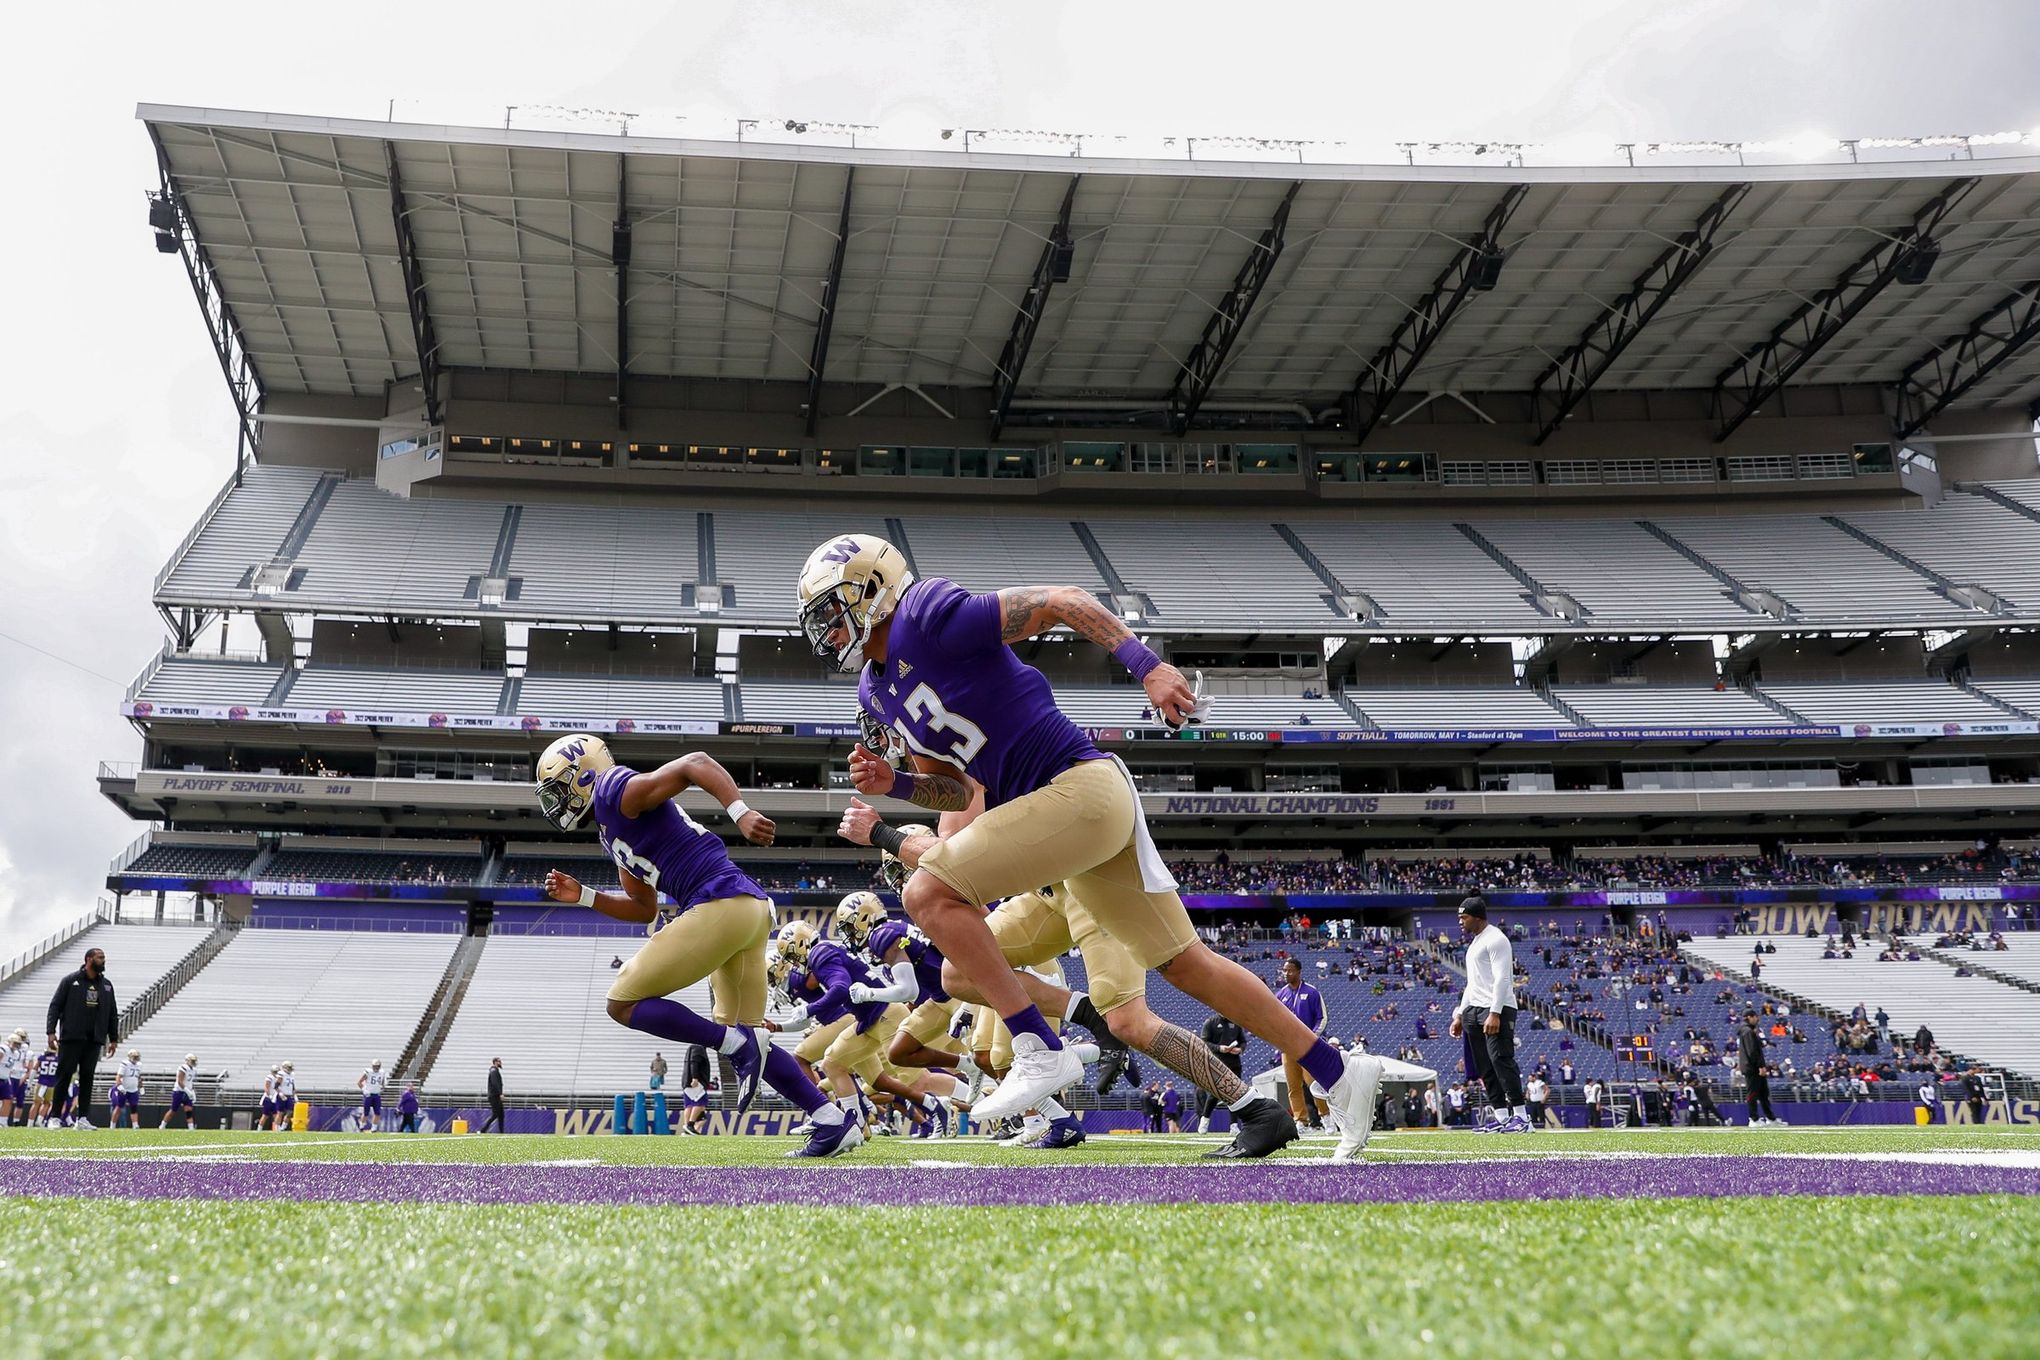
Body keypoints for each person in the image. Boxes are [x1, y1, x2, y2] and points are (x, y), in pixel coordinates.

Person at [804, 533, 1380, 1160]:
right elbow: (955, 789)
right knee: (1187, 965)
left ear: (873, 588)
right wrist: (897, 784)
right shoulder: (873, 689)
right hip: (1066, 818)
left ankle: (1036, 1044)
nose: (829, 629)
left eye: (834, 609)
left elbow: (1060, 600)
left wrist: (1148, 666)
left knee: (929, 891)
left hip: (1078, 789)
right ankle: (1341, 1074)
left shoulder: (926, 613)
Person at [535, 735, 854, 1158]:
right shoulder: (610, 829)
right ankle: (831, 1120)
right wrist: (585, 897)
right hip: (746, 911)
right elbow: (642, 906)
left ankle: (737, 1047)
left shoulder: (613, 789)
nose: (556, 803)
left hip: (718, 902)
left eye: (559, 789)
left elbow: (694, 762)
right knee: (751, 1036)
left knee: (623, 1002)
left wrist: (739, 812)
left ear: (582, 774)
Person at [1449, 897, 1529, 1133]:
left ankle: (1522, 1117)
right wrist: (1460, 1014)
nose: (1460, 922)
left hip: (1496, 1007)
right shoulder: (1475, 943)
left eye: (1464, 917)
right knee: (1484, 1065)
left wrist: (1495, 1012)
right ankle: (1502, 1116)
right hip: (1475, 1008)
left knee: (1501, 1059)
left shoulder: (1496, 939)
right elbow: (1472, 983)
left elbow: (1504, 979)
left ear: (1478, 917)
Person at [44, 946, 117, 1129]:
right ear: (89, 959)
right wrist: (51, 1032)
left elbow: (112, 1014)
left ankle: (82, 1118)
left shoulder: (106, 985)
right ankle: (54, 1117)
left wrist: (113, 1038)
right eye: (100, 957)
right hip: (71, 1037)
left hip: (94, 1039)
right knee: (64, 1075)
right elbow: (55, 1006)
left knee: (87, 1077)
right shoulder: (70, 981)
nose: (103, 960)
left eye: (104, 957)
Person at [1196, 1011, 1246, 1133]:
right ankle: (1205, 1120)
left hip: (1234, 1064)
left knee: (1234, 1094)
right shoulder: (1211, 1022)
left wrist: (1240, 1049)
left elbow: (1243, 1041)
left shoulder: (1235, 1022)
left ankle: (1234, 1125)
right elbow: (1204, 1042)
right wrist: (1219, 1048)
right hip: (1217, 1063)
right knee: (1215, 1093)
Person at [1738, 1012, 1782, 1127]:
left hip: (1754, 1066)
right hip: (1752, 1068)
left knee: (1763, 1093)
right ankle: (1754, 1119)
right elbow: (1752, 1051)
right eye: (1755, 1017)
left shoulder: (1749, 1030)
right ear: (1749, 1017)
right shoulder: (1747, 1031)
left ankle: (1771, 1118)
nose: (1757, 1019)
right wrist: (1760, 1066)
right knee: (1753, 1093)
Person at [159, 1054, 198, 1130]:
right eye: (192, 1061)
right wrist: (188, 1091)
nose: (193, 1062)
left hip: (187, 1092)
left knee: (189, 1110)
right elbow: (180, 1082)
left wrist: (192, 1092)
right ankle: (162, 1126)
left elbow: (190, 1082)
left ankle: (191, 1128)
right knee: (173, 1110)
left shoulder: (193, 1070)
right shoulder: (183, 1068)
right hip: (179, 1092)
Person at [109, 1049, 144, 1129]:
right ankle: (112, 1125)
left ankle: (135, 1126)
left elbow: (139, 1077)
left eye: (137, 1057)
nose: (136, 1058)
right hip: (124, 1089)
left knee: (134, 1108)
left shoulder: (139, 1065)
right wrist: (119, 1085)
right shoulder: (125, 1064)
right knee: (118, 1107)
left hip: (134, 1089)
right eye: (134, 1057)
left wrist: (141, 1087)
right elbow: (118, 1076)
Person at [357, 1060, 386, 1131]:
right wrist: (364, 1090)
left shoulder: (382, 1072)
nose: (376, 1068)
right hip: (368, 1095)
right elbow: (359, 1082)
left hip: (377, 1095)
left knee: (377, 1112)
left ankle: (374, 1128)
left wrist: (382, 1087)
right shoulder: (368, 1072)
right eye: (375, 1066)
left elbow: (382, 1083)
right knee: (366, 1112)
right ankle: (361, 1126)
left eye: (377, 1066)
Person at [481, 1058, 506, 1134]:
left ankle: (501, 1132)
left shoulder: (495, 1071)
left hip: (496, 1096)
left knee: (501, 1114)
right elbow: (495, 1083)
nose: (501, 1063)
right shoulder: (494, 1071)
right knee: (496, 1114)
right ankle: (483, 1130)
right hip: (494, 1096)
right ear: (495, 1062)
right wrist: (500, 1093)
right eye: (499, 1061)